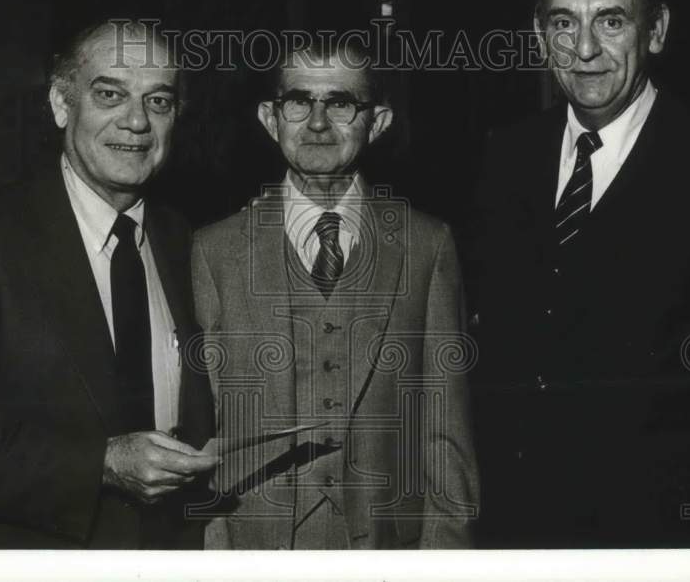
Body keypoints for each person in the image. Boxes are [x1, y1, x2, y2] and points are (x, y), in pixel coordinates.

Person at [468, 0, 690, 547]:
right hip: (516, 528)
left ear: (657, 30)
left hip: (655, 535)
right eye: (564, 22)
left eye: (611, 21)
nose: (584, 49)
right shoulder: (503, 156)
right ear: (540, 37)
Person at [0, 20, 217, 548]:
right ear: (61, 105)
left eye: (158, 101)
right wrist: (104, 463)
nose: (136, 121)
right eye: (110, 94)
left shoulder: (185, 239)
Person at [192, 40, 479, 549]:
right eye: (299, 101)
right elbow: (207, 439)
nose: (318, 123)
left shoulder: (428, 245)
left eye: (341, 103)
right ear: (270, 117)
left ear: (379, 122)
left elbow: (445, 437)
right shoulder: (214, 251)